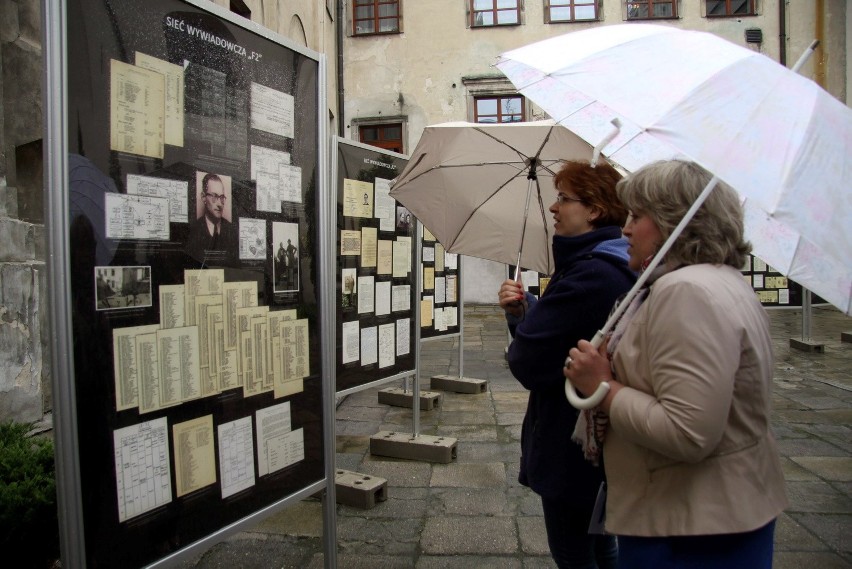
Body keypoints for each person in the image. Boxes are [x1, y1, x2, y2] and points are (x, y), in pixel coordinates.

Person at [564, 160, 788, 569]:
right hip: (707, 514)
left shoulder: (687, 292)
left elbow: (688, 431)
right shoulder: (717, 280)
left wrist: (604, 387)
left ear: (675, 223)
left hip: (690, 531)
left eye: (637, 215)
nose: (626, 229)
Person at [497, 160, 635, 568]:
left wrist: (528, 322)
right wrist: (525, 314)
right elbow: (555, 339)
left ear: (593, 210)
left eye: (563, 199)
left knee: (574, 552)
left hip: (573, 439)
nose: (554, 208)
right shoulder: (605, 264)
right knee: (598, 542)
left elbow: (527, 360)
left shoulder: (591, 273)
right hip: (598, 438)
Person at [185, 173, 238, 264]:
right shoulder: (192, 230)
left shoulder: (232, 230)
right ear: (203, 197)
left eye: (221, 197)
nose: (219, 203)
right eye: (214, 196)